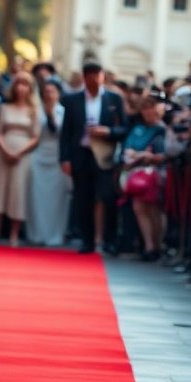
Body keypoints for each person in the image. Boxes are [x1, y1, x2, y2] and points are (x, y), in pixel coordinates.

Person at [59, 62, 128, 253]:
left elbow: (124, 127)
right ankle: (87, 240)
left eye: (97, 77)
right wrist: (64, 158)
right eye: (89, 78)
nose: (94, 81)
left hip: (104, 155)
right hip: (81, 154)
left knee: (107, 197)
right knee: (83, 199)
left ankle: (109, 240)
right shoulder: (72, 100)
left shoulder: (114, 99)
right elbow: (66, 132)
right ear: (84, 78)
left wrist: (107, 131)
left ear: (102, 77)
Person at [0, 71, 39, 246]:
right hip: (3, 152)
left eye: (25, 84)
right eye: (19, 84)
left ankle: (14, 234)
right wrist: (5, 149)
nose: (21, 88)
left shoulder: (33, 110)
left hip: (23, 154)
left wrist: (20, 152)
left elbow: (36, 136)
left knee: (18, 191)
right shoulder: (5, 107)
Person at [120, 96, 168, 260]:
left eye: (152, 107)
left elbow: (165, 154)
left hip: (158, 174)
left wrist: (146, 155)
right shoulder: (138, 129)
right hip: (138, 174)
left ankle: (158, 245)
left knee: (155, 210)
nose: (149, 112)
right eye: (145, 108)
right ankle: (149, 246)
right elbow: (127, 150)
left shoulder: (164, 129)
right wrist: (138, 156)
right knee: (140, 208)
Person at [27, 80, 70, 246]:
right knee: (37, 198)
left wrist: (52, 115)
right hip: (38, 158)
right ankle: (37, 234)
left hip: (58, 159)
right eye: (46, 92)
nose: (49, 95)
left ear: (58, 94)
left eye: (52, 91)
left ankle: (55, 234)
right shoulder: (36, 112)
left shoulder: (64, 112)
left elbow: (62, 132)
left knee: (57, 200)